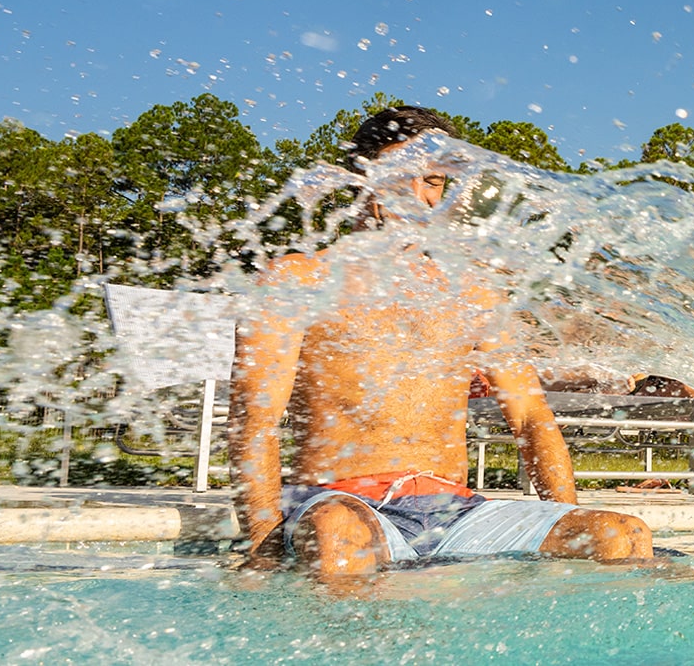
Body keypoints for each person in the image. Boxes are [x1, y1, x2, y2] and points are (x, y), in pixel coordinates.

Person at [229, 106, 653, 581]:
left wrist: (561, 525)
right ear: (359, 178)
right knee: (334, 532)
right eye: (398, 177)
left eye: (431, 181)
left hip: (457, 512)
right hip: (342, 504)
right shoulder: (297, 280)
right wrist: (263, 543)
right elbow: (254, 420)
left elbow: (533, 419)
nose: (416, 196)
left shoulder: (473, 292)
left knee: (621, 533)